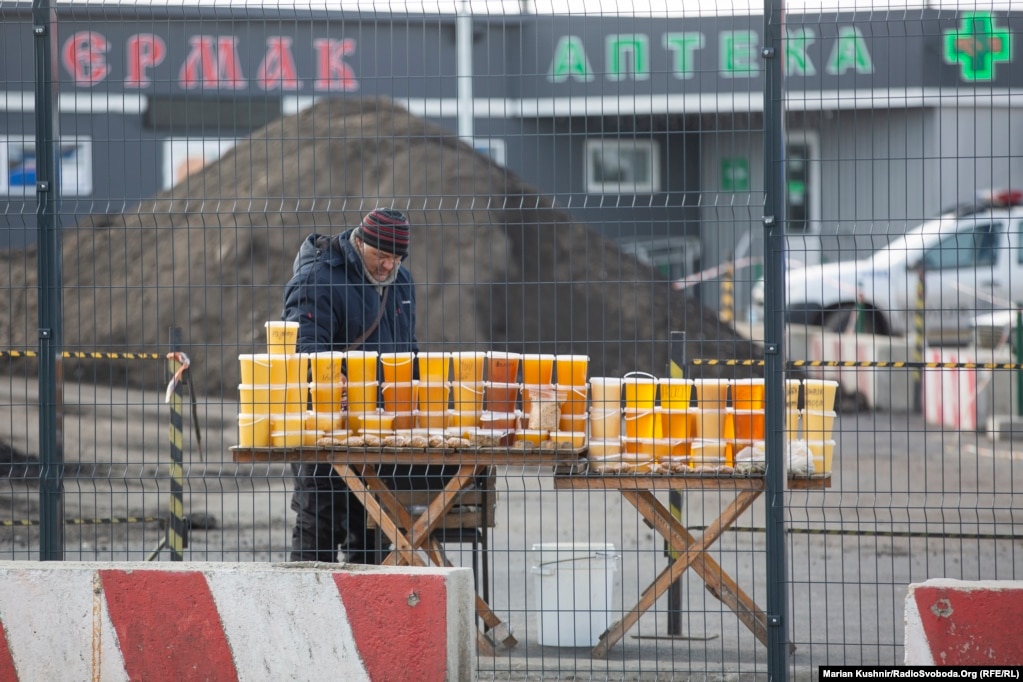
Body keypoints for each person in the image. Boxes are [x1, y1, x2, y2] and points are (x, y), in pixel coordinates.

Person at [281, 207, 420, 563]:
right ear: (359, 243)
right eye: (381, 256)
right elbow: (302, 351)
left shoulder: (402, 283)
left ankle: (367, 618)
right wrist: (331, 379)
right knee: (320, 525)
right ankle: (308, 612)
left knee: (375, 525)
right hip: (324, 428)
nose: (389, 267)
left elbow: (408, 349)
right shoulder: (318, 279)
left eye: (396, 258)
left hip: (378, 429)